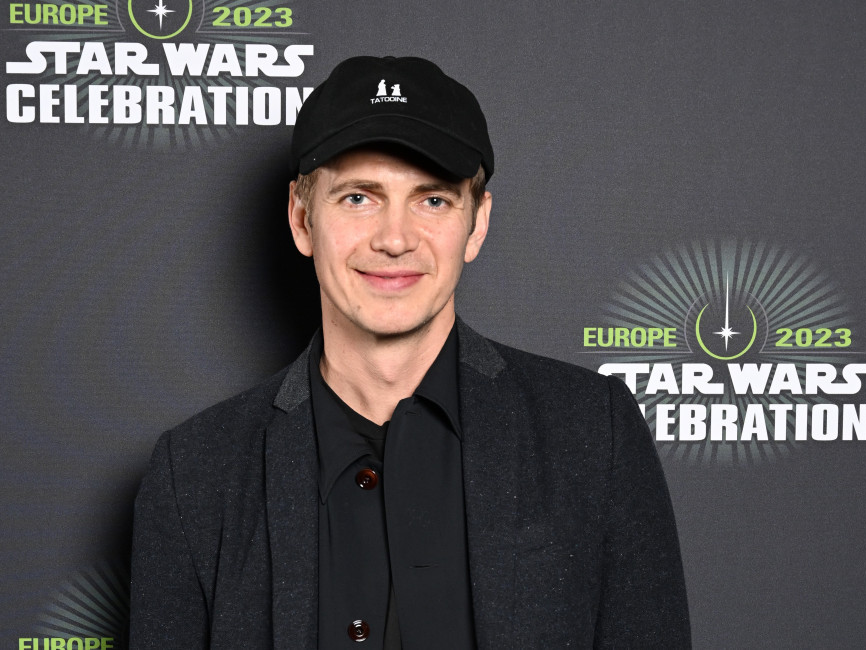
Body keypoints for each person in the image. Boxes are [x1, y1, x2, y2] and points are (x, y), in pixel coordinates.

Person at [130, 55, 691, 649]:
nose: (394, 239)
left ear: (476, 225)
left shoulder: (590, 432)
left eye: (432, 201)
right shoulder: (195, 474)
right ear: (301, 219)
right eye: (357, 199)